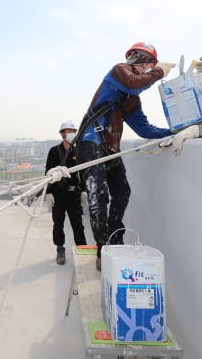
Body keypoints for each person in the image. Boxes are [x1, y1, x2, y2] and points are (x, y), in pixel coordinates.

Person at [76, 42, 175, 271]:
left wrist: (176, 131)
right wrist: (159, 72)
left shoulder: (131, 98)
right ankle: (103, 250)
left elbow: (145, 129)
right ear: (141, 60)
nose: (149, 72)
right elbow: (133, 83)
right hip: (91, 142)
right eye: (150, 66)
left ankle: (114, 237)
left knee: (122, 191)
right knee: (98, 197)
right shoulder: (119, 71)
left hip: (110, 148)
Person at [45, 120, 87, 265]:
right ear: (62, 134)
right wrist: (48, 192)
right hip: (58, 194)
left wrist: (84, 190)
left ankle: (82, 249)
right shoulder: (54, 151)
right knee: (58, 223)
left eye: (72, 131)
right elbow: (48, 173)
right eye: (67, 131)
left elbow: (82, 172)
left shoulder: (78, 151)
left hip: (73, 194)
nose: (70, 134)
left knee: (78, 224)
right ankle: (60, 248)